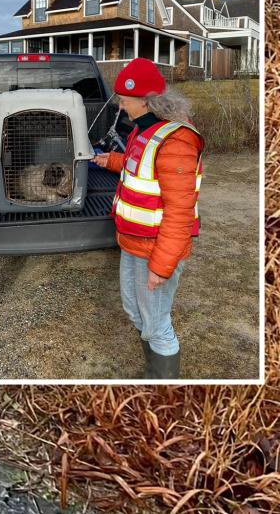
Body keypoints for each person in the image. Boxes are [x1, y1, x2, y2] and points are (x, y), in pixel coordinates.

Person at [92, 57, 204, 380]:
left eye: (125, 101)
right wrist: (110, 160)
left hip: (155, 247)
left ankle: (162, 380)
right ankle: (154, 364)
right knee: (134, 309)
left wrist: (161, 266)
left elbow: (180, 212)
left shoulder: (176, 141)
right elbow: (138, 165)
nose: (122, 108)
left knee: (156, 322)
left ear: (145, 100)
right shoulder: (143, 132)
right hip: (133, 242)